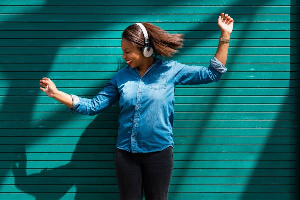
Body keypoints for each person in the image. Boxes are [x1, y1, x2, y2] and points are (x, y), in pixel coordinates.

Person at [40, 13, 234, 200]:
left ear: (145, 49)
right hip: (126, 156)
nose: (124, 56)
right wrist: (56, 94)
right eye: (123, 52)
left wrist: (225, 36)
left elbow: (212, 73)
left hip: (159, 154)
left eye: (127, 51)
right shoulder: (120, 78)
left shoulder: (170, 70)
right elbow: (93, 106)